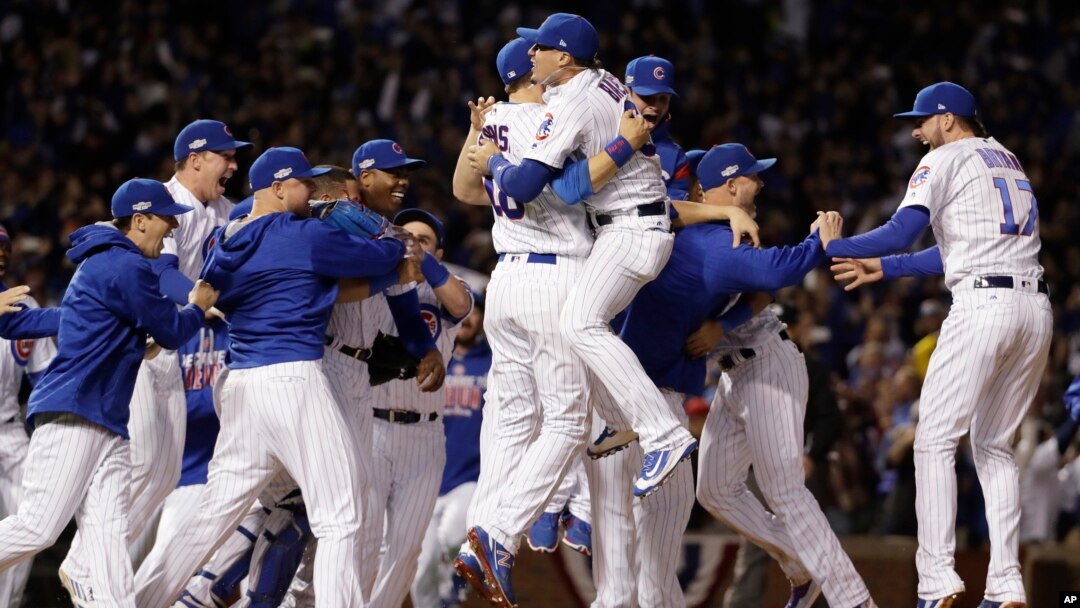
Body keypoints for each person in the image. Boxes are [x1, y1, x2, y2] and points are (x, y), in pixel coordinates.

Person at [134, 146, 410, 608]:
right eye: (304, 183)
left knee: (210, 518)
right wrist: (365, 223)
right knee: (341, 515)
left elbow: (210, 286)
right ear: (278, 188)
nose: (313, 192)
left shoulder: (227, 240)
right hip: (292, 380)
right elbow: (387, 254)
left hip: (241, 384)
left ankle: (140, 602)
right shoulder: (303, 234)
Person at [827, 82, 1052, 608]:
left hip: (981, 308)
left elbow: (901, 230)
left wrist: (833, 244)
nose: (916, 129)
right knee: (994, 447)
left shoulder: (946, 155)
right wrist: (883, 269)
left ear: (948, 120)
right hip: (1033, 308)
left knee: (932, 441)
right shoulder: (1007, 158)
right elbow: (950, 251)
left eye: (924, 120)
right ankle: (1006, 584)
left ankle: (937, 581)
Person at [62, 119, 251, 603]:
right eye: (225, 156)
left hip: (169, 344)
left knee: (164, 473)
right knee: (145, 463)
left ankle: (93, 564)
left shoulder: (225, 209)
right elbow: (160, 272)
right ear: (195, 159)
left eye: (234, 156)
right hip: (136, 341)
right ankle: (85, 562)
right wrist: (202, 300)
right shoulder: (161, 202)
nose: (233, 164)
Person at [0, 178, 214, 604]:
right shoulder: (123, 264)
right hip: (74, 414)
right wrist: (197, 306)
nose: (171, 228)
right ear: (139, 219)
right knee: (38, 527)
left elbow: (64, 319)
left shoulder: (104, 264)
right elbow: (172, 331)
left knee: (108, 540)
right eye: (166, 219)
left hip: (108, 423)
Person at [364, 208, 472, 608]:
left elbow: (461, 304)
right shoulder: (375, 283)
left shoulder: (447, 289)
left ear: (438, 252)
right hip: (371, 428)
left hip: (424, 435)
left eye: (423, 239)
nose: (411, 243)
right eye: (404, 236)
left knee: (407, 550)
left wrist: (417, 255)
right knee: (364, 541)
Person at [410, 294, 490, 608]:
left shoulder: (495, 362)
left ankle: (456, 585)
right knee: (420, 568)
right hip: (426, 475)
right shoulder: (432, 357)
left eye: (475, 313)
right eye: (463, 314)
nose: (469, 319)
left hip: (472, 476)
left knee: (453, 538)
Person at [0, 224, 57, 606]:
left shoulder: (24, 305)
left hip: (8, 430)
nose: (2, 253)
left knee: (31, 521)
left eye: (5, 247)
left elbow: (46, 376)